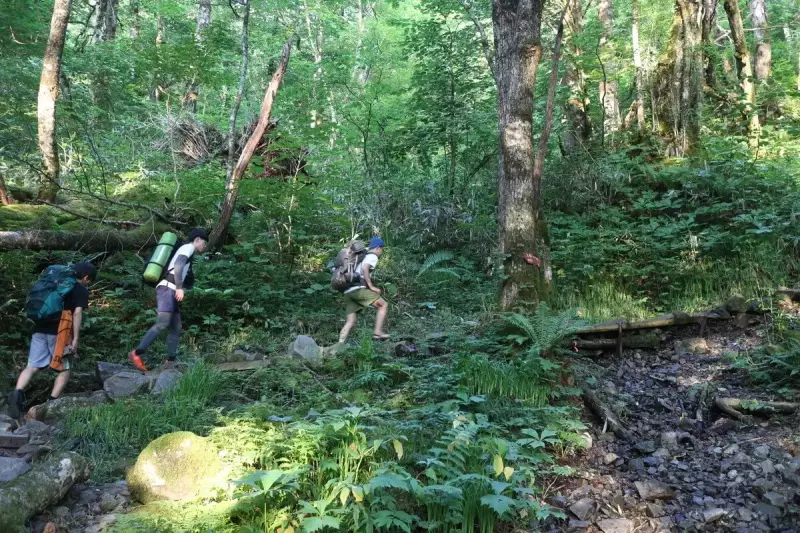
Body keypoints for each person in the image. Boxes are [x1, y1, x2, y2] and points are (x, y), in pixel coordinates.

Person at [7, 261, 97, 418]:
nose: (87, 283)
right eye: (89, 280)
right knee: (65, 370)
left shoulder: (55, 283)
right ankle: (50, 405)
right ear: (86, 276)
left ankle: (17, 393)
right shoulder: (80, 290)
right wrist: (75, 339)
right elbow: (77, 313)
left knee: (32, 366)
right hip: (60, 333)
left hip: (39, 329)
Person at [129, 228, 208, 371]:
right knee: (163, 323)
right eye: (204, 243)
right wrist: (179, 288)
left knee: (176, 327)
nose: (204, 246)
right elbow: (178, 265)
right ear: (197, 239)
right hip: (167, 289)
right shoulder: (188, 248)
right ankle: (136, 353)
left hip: (170, 289)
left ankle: (170, 361)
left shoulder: (189, 250)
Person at [338, 236, 389, 343]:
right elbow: (365, 268)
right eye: (382, 249)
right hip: (357, 289)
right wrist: (371, 286)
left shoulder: (363, 256)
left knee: (350, 322)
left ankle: (339, 345)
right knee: (383, 305)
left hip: (348, 291)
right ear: (378, 248)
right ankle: (377, 332)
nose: (381, 252)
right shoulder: (372, 256)